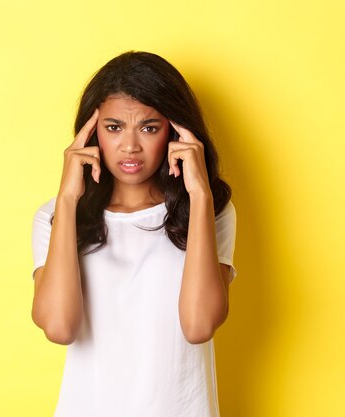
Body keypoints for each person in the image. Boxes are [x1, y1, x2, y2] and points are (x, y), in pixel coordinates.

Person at [31, 51, 237, 417]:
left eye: (148, 128)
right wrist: (67, 199)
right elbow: (60, 327)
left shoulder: (208, 212)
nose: (130, 146)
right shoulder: (56, 216)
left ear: (175, 133)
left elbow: (199, 325)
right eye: (113, 128)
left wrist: (201, 194)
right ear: (91, 133)